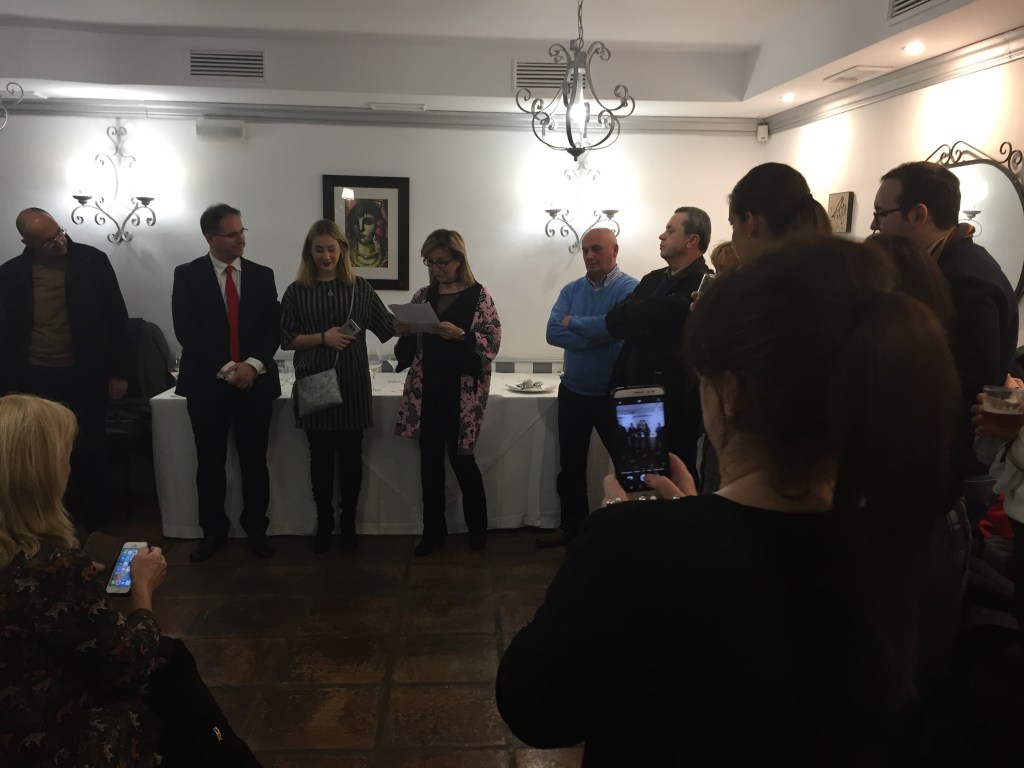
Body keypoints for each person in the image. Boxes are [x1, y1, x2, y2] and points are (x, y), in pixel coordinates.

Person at [497, 237, 962, 765]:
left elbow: (534, 708)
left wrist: (630, 532)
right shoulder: (917, 542)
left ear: (732, 394)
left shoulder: (633, 546)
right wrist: (688, 522)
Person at [0, 394, 260, 767]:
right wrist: (143, 590)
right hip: (53, 745)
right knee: (169, 664)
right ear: (37, 474)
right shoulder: (51, 569)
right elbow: (127, 665)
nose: (69, 468)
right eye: (64, 457)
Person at [872, 161, 1018, 526]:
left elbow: (970, 389)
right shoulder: (952, 264)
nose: (874, 226)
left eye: (880, 213)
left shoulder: (964, 278)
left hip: (951, 473)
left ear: (918, 214)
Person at [0, 208, 130, 531]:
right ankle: (50, 521)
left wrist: (120, 371)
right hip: (34, 375)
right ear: (27, 243)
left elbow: (117, 317)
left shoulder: (91, 261)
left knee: (89, 446)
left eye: (59, 232)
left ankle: (97, 523)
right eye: (47, 241)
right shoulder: (11, 274)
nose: (58, 242)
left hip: (84, 372)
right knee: (40, 451)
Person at [172, 203, 281, 562]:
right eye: (232, 234)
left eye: (242, 231)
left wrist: (252, 365)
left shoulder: (262, 275)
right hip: (207, 385)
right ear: (210, 238)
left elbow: (273, 327)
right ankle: (213, 532)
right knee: (210, 462)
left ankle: (257, 530)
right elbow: (186, 329)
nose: (241, 240)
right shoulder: (187, 275)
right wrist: (227, 368)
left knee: (254, 462)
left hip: (255, 383)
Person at [280, 219, 395, 553]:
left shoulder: (360, 287)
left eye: (331, 249)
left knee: (350, 460)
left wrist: (420, 319)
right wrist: (323, 337)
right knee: (319, 460)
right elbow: (286, 339)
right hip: (314, 382)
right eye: (319, 250)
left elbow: (388, 327)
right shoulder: (296, 291)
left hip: (352, 384)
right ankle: (324, 524)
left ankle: (348, 524)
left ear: (343, 249)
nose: (326, 256)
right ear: (309, 252)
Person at [394, 229, 501, 556]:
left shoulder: (479, 296)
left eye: (443, 261)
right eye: (431, 262)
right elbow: (407, 353)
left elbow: (490, 345)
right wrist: (404, 332)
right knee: (429, 464)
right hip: (427, 390)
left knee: (463, 462)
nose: (437, 268)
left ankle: (478, 528)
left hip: (462, 394)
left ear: (459, 259)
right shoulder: (423, 296)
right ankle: (432, 532)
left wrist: (461, 336)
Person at [538, 227, 637, 548]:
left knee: (627, 466)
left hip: (613, 394)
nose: (590, 256)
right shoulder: (571, 289)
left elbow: (617, 328)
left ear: (615, 250)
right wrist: (598, 333)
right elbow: (553, 333)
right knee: (571, 466)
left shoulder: (630, 289)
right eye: (585, 250)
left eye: (597, 249)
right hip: (573, 391)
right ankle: (572, 528)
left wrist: (576, 323)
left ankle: (628, 533)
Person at [606, 207, 712, 484]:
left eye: (670, 230)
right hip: (634, 394)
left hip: (675, 402)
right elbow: (614, 321)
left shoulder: (704, 284)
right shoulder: (653, 279)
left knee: (676, 476)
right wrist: (661, 309)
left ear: (692, 240)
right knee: (636, 477)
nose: (661, 236)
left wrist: (640, 312)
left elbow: (669, 321)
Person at [727, 162, 832, 262]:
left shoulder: (765, 275)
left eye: (733, 225)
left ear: (750, 222)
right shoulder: (831, 268)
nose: (733, 242)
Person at [345, 200, 388, 268]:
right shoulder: (345, 256)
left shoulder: (387, 258)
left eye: (367, 222)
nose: (361, 228)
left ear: (378, 225)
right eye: (356, 222)